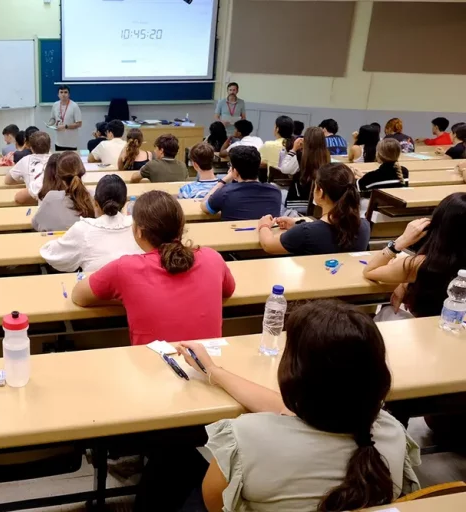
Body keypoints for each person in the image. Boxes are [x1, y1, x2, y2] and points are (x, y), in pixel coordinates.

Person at [176, 300, 420, 512]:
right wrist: (214, 371)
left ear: (294, 372)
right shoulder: (392, 433)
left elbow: (215, 505)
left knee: (177, 462)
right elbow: (286, 410)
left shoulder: (244, 437)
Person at [72, 190, 235, 346]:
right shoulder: (212, 257)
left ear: (139, 232)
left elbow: (78, 296)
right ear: (180, 227)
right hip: (209, 366)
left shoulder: (125, 269)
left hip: (153, 370)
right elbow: (228, 290)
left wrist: (127, 296)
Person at [363, 192, 466, 319]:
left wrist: (399, 243)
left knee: (388, 311)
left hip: (430, 330)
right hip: (456, 327)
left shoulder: (420, 264)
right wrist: (405, 283)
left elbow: (370, 271)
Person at [258, 163, 371, 256]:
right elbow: (327, 229)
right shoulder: (364, 226)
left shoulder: (305, 233)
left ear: (320, 192)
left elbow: (268, 245)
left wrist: (264, 225)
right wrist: (298, 224)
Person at [40, 174, 142, 272]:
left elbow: (52, 254)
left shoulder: (83, 229)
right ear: (124, 203)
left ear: (95, 203)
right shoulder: (139, 226)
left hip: (95, 289)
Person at [201, 146, 281, 221]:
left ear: (235, 172)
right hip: (263, 234)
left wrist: (223, 180)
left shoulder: (225, 193)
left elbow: (204, 206)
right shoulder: (275, 192)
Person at [32, 152, 95, 232]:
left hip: (54, 242)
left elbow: (36, 224)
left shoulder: (51, 198)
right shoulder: (94, 198)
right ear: (82, 171)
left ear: (59, 176)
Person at [279, 126, 331, 211]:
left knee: (280, 194)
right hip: (318, 204)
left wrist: (293, 149)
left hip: (297, 203)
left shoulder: (301, 156)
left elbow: (284, 169)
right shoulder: (326, 156)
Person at [5, 131, 53, 205]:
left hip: (33, 200)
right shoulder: (59, 160)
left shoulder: (26, 160)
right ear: (50, 146)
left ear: (31, 148)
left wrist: (25, 178)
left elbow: (8, 180)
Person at [48, 86, 83, 150]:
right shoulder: (55, 105)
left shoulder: (74, 106)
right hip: (58, 142)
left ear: (69, 94)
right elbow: (53, 118)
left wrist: (65, 126)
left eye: (65, 92)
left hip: (71, 143)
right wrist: (50, 124)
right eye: (61, 92)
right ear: (58, 95)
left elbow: (79, 124)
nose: (63, 94)